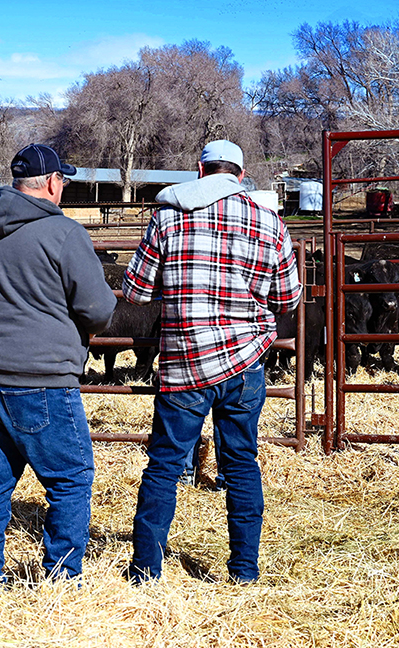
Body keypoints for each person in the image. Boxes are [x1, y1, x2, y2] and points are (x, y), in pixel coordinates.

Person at [123, 140, 302, 585]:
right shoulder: (269, 221)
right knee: (240, 462)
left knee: (164, 464)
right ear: (240, 176)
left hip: (185, 361)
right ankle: (243, 571)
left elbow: (136, 291)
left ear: (199, 170)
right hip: (244, 361)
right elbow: (287, 299)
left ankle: (146, 572)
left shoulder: (167, 216)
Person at [0, 143, 117, 584]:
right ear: (53, 183)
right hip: (43, 376)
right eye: (64, 180)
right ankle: (61, 577)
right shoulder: (65, 234)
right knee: (71, 478)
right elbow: (98, 309)